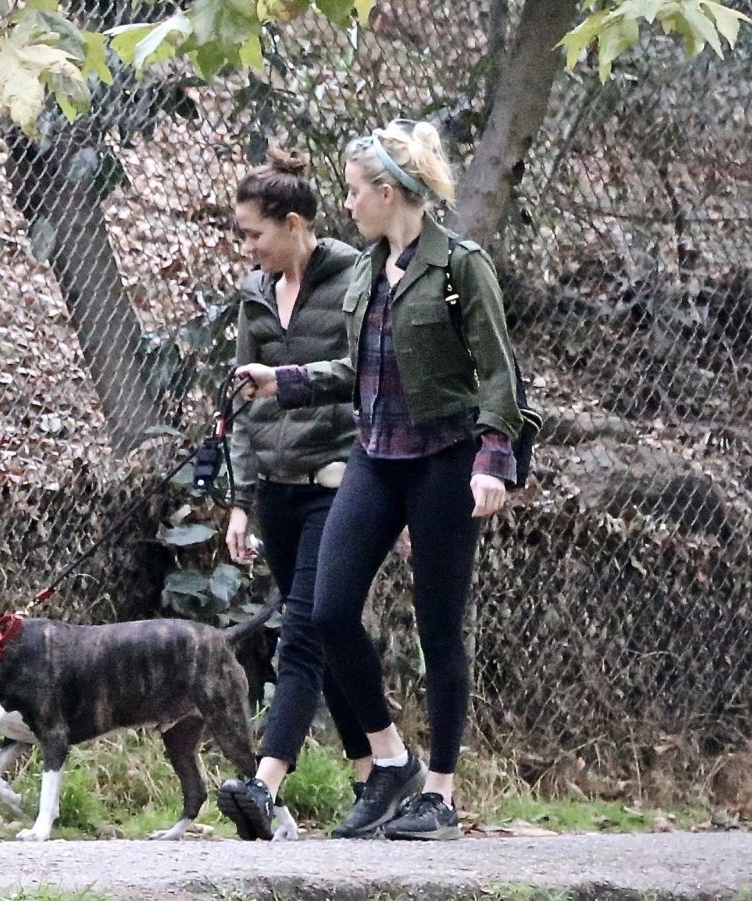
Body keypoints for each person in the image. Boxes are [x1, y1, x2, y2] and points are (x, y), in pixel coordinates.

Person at [235, 119, 523, 841]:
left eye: (356, 191)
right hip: (375, 454)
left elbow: (499, 375)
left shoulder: (461, 266)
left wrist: (493, 461)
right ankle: (390, 759)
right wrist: (286, 379)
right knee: (329, 611)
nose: (350, 203)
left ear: (388, 192)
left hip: (445, 459)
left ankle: (441, 797)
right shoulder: (367, 267)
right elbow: (357, 371)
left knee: (438, 626)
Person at [214, 147, 373, 842]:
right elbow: (245, 405)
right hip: (274, 492)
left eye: (255, 234)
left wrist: (293, 379)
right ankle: (378, 774)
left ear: (294, 223)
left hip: (336, 484)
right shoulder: (256, 293)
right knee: (330, 634)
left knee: (303, 632)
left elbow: (364, 372)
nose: (248, 247)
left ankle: (265, 781)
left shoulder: (353, 278)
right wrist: (242, 500)